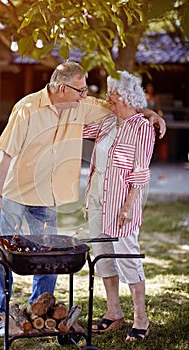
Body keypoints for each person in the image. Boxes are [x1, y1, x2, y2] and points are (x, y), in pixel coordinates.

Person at [0, 61, 165, 337]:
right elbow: (5, 154)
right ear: (61, 88)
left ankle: (41, 308)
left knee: (50, 257)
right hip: (15, 194)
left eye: (87, 91)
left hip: (51, 199)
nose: (87, 96)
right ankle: (0, 315)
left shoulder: (87, 107)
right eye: (81, 90)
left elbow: (128, 112)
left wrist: (151, 113)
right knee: (3, 255)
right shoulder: (27, 109)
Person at [84, 71, 155, 341]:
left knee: (128, 259)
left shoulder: (142, 128)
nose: (107, 99)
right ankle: (113, 312)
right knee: (103, 256)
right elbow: (80, 126)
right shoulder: (107, 122)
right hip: (97, 198)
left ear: (124, 97)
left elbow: (140, 172)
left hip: (121, 204)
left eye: (112, 95)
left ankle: (141, 319)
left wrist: (127, 206)